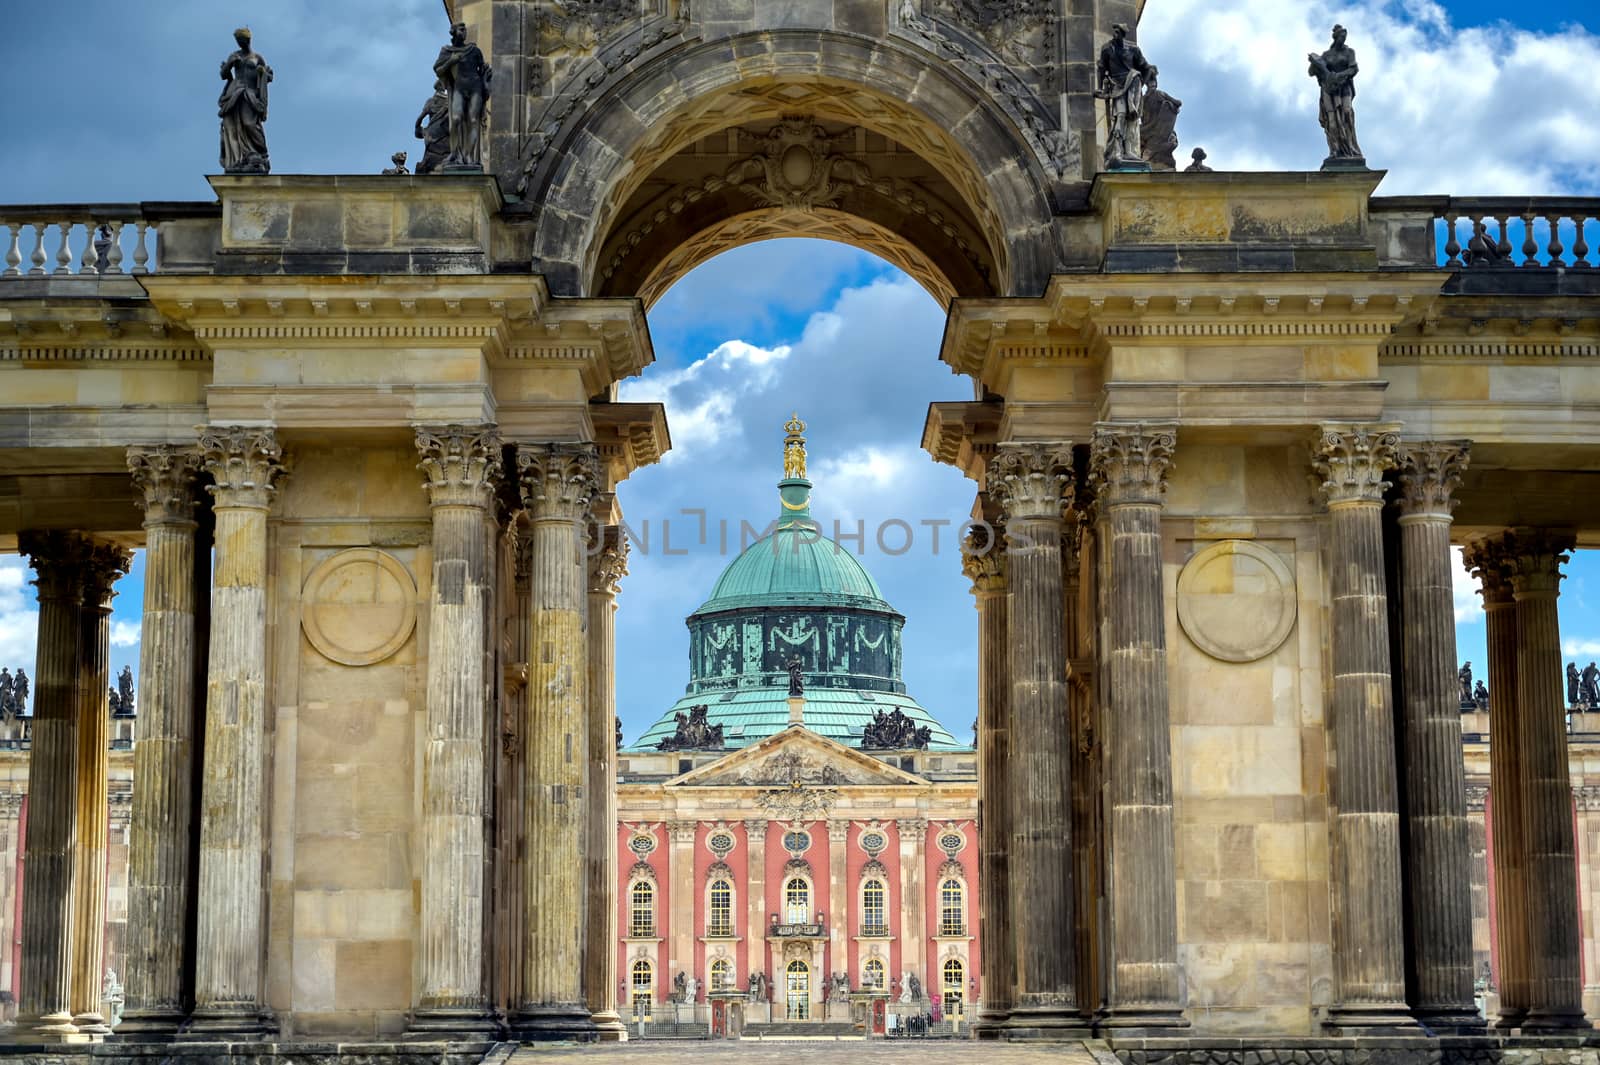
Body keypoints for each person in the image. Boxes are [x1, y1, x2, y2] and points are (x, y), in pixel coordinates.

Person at [434, 23, 493, 170]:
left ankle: (468, 155)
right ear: (453, 32)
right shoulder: (447, 51)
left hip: (475, 88)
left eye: (465, 30)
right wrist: (451, 61)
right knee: (455, 119)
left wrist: (485, 79)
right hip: (459, 88)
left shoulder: (474, 50)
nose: (464, 32)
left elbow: (482, 68)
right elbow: (438, 70)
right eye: (461, 30)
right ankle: (455, 153)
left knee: (473, 120)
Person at [1096, 24, 1152, 168]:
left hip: (1132, 84)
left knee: (1132, 118)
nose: (1114, 35)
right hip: (1117, 86)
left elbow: (1146, 68)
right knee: (1119, 116)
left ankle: (1129, 150)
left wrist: (1141, 84)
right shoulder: (1107, 49)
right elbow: (1101, 68)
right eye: (1114, 32)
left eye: (1117, 33)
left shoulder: (1133, 50)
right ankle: (1116, 150)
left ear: (1123, 35)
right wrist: (1100, 89)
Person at [219, 27, 273, 173]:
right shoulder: (234, 55)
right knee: (234, 126)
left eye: (242, 41)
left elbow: (268, 76)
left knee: (249, 123)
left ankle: (260, 152)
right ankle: (239, 158)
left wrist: (263, 74)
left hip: (250, 94)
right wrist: (230, 63)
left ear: (248, 40)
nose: (240, 44)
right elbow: (224, 75)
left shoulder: (257, 58)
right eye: (238, 41)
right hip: (235, 93)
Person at [1308, 25, 1363, 163]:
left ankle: (1350, 149)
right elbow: (1311, 72)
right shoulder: (1326, 55)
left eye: (1344, 37)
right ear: (1336, 37)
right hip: (1329, 90)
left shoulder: (1349, 52)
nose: (1343, 39)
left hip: (1344, 87)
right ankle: (1335, 150)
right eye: (1341, 37)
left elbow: (1353, 69)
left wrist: (1339, 76)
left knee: (1347, 114)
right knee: (1332, 121)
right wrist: (1314, 63)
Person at [1139, 66, 1182, 170]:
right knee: (1172, 140)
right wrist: (1170, 106)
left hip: (1146, 131)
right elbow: (1178, 102)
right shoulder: (1159, 94)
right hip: (1158, 130)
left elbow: (1140, 116)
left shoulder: (1142, 99)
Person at [414, 80, 451, 175]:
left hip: (432, 133)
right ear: (443, 87)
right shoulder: (449, 100)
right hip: (444, 132)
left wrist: (418, 127)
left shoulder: (431, 101)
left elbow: (421, 117)